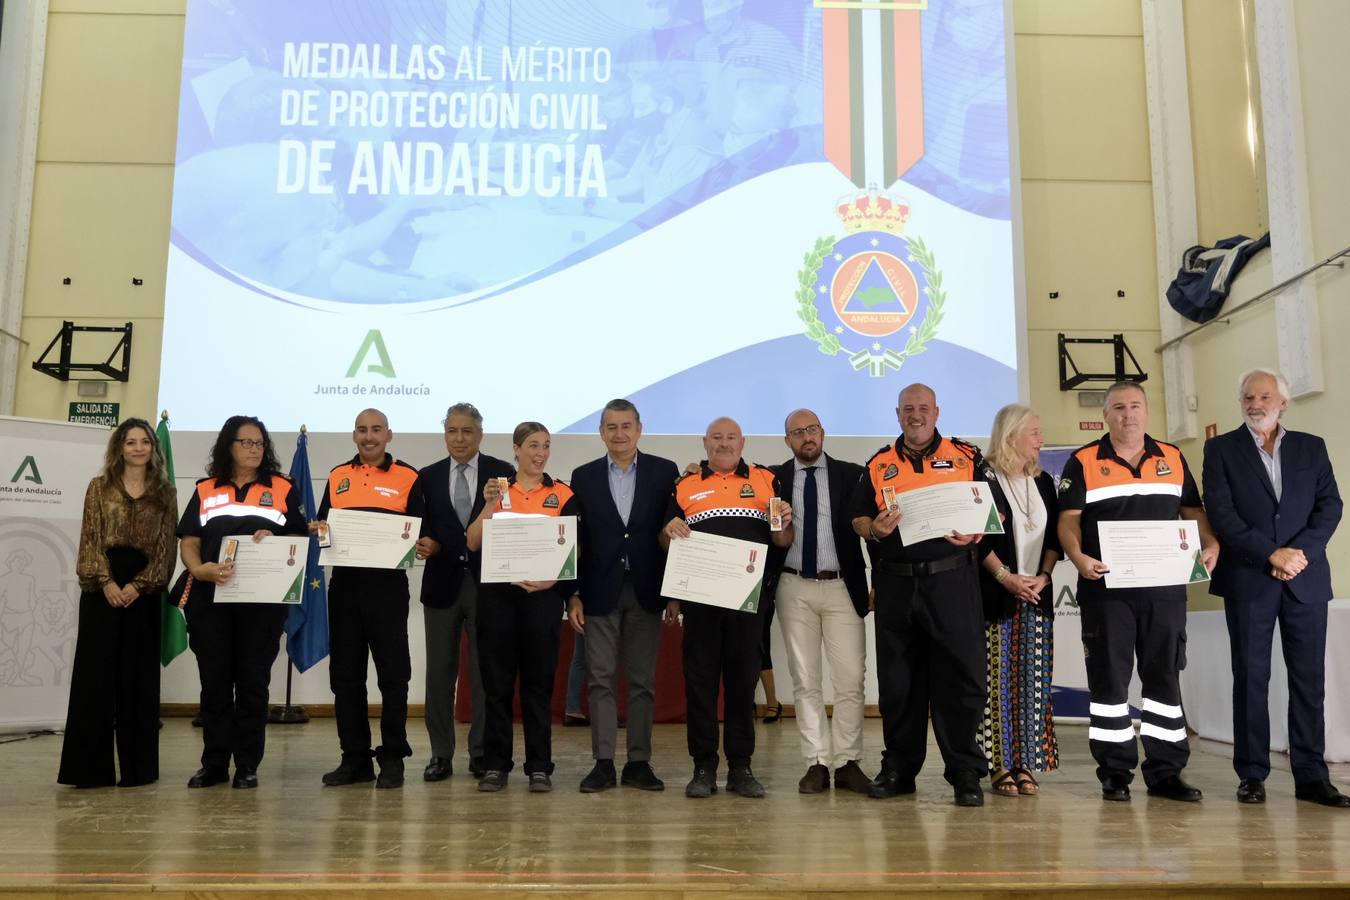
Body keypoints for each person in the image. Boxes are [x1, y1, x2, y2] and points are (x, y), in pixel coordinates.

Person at [1058, 381, 1219, 802]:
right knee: (1109, 683)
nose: (1127, 415)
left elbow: (1193, 512)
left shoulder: (1172, 457)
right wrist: (1077, 556)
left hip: (1164, 591)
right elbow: (1069, 519)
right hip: (1106, 590)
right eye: (1118, 408)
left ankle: (1166, 773)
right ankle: (1115, 773)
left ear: (1146, 411)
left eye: (1134, 407)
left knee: (1164, 679)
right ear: (1106, 415)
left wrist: (1211, 542)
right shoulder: (1083, 461)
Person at [1202, 368, 1348, 807]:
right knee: (1250, 678)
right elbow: (1222, 514)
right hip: (1249, 579)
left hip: (1305, 579)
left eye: (1264, 396)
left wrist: (1296, 554)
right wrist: (1271, 554)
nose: (1255, 403)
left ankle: (1311, 777)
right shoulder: (1220, 449)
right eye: (1247, 396)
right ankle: (1252, 775)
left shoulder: (1311, 447)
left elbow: (1330, 505)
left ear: (1283, 402)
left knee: (1309, 680)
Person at [850, 383, 990, 807]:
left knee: (961, 680)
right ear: (898, 414)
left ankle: (965, 772)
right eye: (908, 409)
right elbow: (857, 516)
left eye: (923, 408)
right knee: (898, 684)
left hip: (952, 581)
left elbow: (989, 509)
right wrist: (873, 528)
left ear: (936, 412)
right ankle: (899, 770)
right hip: (896, 584)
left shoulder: (966, 457)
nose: (916, 415)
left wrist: (978, 528)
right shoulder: (878, 463)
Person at [662, 416, 793, 799]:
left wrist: (784, 524)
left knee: (741, 684)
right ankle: (703, 767)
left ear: (743, 442)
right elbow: (665, 540)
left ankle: (741, 766)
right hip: (700, 602)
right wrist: (668, 532)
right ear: (705, 443)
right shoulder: (684, 485)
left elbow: (782, 539)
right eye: (716, 438)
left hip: (748, 602)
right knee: (700, 685)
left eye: (731, 437)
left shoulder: (767, 481)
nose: (724, 443)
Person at [176, 416, 308, 789]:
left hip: (261, 607)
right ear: (228, 446)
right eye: (246, 442)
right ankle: (214, 764)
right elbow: (189, 540)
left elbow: (298, 540)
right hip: (211, 601)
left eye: (260, 443)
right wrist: (199, 569)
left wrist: (276, 536)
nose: (254, 449)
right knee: (215, 683)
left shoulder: (283, 488)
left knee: (253, 684)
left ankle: (247, 764)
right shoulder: (205, 489)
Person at [315, 409, 434, 790]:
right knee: (346, 678)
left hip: (388, 591)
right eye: (362, 430)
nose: (369, 437)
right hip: (345, 588)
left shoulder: (408, 477)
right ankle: (354, 759)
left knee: (394, 676)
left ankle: (394, 759)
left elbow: (423, 534)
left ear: (389, 435)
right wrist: (318, 532)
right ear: (354, 435)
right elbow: (322, 530)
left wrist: (427, 545)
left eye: (376, 430)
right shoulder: (338, 476)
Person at [568, 399, 680, 793]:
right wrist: (574, 594)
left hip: (648, 591)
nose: (619, 433)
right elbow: (577, 541)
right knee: (599, 679)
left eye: (626, 426)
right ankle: (602, 763)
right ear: (601, 432)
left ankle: (638, 762)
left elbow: (673, 533)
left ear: (639, 428)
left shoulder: (665, 472)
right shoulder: (581, 477)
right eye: (611, 427)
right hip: (599, 591)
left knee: (642, 681)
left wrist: (675, 593)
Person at [58, 419, 177, 788]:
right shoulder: (99, 488)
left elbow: (165, 549)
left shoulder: (166, 493)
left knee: (138, 680)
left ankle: (138, 770)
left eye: (145, 442)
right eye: (130, 442)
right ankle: (89, 771)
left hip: (143, 591)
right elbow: (90, 538)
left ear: (154, 450)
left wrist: (141, 585)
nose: (139, 448)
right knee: (94, 679)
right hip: (101, 588)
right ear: (119, 449)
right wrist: (106, 582)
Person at [467, 422, 579, 793]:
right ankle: (496, 765)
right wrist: (488, 504)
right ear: (516, 449)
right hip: (498, 598)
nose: (540, 453)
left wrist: (555, 582)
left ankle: (539, 766)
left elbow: (574, 549)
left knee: (538, 685)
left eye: (546, 446)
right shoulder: (497, 489)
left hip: (541, 600)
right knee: (497, 685)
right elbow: (471, 542)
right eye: (533, 445)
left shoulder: (562, 493)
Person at [766, 409, 872, 794]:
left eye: (811, 430)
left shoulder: (852, 473)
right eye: (797, 432)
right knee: (805, 680)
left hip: (843, 585)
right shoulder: (774, 478)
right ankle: (815, 763)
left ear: (823, 432)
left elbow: (869, 524)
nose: (806, 437)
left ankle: (847, 762)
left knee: (849, 679)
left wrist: (875, 580)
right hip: (794, 586)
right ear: (787, 441)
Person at [417, 403, 513, 781]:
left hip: (488, 586)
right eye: (452, 431)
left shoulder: (502, 473)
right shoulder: (427, 476)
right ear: (445, 434)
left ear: (480, 435)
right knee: (439, 675)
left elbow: (513, 523)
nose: (459, 438)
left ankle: (481, 752)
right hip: (441, 585)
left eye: (467, 431)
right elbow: (421, 526)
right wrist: (430, 545)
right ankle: (441, 754)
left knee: (484, 672)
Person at [975, 404, 1061, 797]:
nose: (1041, 440)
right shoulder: (984, 477)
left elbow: (1056, 539)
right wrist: (1006, 578)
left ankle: (1026, 762)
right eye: (1035, 433)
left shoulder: (1042, 482)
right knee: (997, 685)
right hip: (996, 595)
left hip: (1036, 597)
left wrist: (1043, 577)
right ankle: (999, 765)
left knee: (1033, 684)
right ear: (1011, 436)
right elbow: (979, 541)